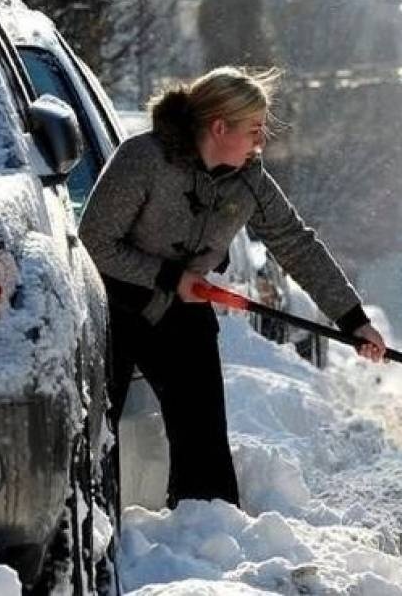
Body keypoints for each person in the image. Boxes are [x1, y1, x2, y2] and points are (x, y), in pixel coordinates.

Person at [78, 66, 386, 508]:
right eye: (254, 130)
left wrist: (353, 320)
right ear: (220, 127)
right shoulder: (144, 159)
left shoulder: (249, 180)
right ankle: (91, 524)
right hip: (115, 307)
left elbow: (297, 245)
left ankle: (207, 523)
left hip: (181, 311)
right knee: (96, 436)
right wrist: (169, 277)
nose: (261, 142)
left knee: (203, 441)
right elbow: (94, 241)